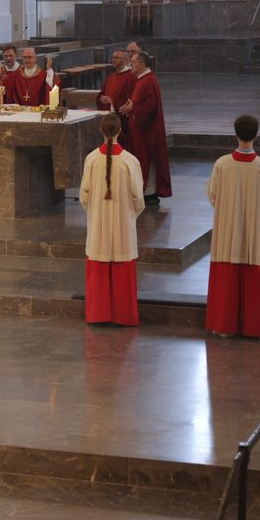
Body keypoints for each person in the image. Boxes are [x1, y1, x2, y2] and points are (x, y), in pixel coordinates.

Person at [205, 115, 260, 339]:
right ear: (256, 135)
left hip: (228, 229)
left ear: (235, 133)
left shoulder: (222, 164)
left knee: (227, 268)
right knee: (256, 268)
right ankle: (257, 328)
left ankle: (224, 325)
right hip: (254, 230)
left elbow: (213, 195)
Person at [79, 113, 145, 326]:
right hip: (122, 226)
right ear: (120, 131)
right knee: (121, 263)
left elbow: (84, 196)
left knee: (99, 261)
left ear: (101, 130)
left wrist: (96, 212)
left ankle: (98, 314)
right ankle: (123, 315)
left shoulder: (91, 159)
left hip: (98, 224)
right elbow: (139, 199)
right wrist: (127, 217)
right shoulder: (130, 161)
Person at [119, 51, 171, 205]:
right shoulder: (142, 79)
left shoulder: (148, 81)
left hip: (146, 131)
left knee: (146, 161)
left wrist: (133, 109)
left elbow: (150, 107)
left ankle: (149, 194)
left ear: (142, 64)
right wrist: (132, 105)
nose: (131, 65)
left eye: (133, 62)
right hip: (139, 130)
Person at [98, 50, 135, 140]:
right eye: (113, 57)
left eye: (117, 58)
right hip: (108, 119)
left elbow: (130, 100)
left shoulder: (132, 77)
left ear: (126, 60)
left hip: (122, 123)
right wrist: (101, 98)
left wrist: (112, 101)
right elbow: (103, 93)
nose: (113, 60)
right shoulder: (110, 77)